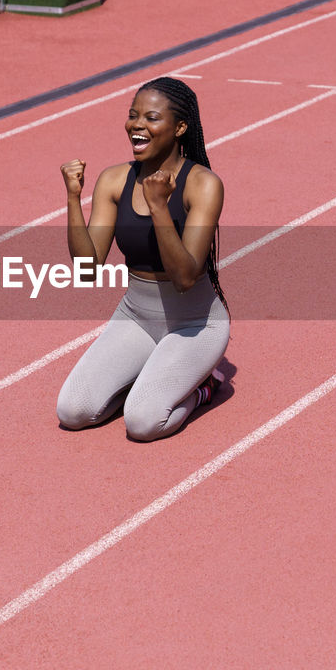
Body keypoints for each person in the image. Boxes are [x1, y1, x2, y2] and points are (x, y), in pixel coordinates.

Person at [56, 76, 230, 441]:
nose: (136, 125)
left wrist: (157, 207)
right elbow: (87, 271)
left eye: (151, 118)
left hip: (195, 323)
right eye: (133, 115)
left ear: (180, 127)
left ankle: (205, 387)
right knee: (74, 411)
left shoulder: (204, 185)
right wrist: (73, 199)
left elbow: (184, 277)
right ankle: (147, 374)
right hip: (135, 317)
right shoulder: (114, 180)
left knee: (143, 423)